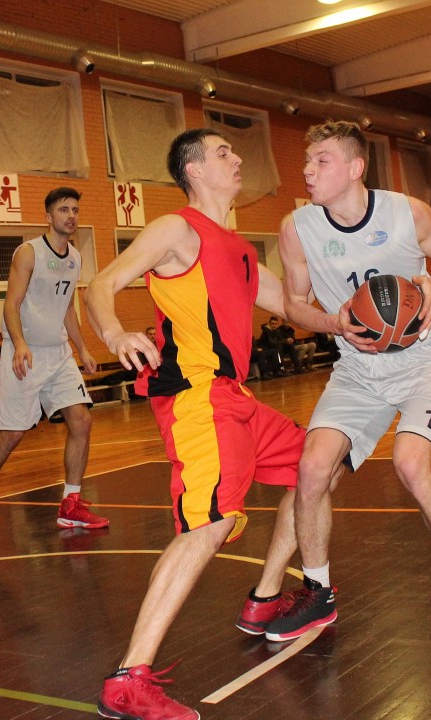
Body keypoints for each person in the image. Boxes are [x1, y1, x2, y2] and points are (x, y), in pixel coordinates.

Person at [85, 128, 306, 719]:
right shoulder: (175, 229)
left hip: (237, 397)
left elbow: (292, 305)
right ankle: (128, 680)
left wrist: (360, 320)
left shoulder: (241, 249)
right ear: (194, 170)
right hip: (197, 396)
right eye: (222, 152)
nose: (237, 158)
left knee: (317, 465)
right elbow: (101, 284)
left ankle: (265, 597)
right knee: (209, 523)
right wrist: (114, 332)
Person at [273, 120, 431, 646]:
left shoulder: (406, 212)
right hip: (358, 367)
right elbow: (293, 304)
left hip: (426, 359)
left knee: (412, 465)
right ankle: (318, 592)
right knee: (312, 469)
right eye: (307, 161)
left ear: (355, 167)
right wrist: (334, 323)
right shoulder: (297, 228)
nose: (307, 171)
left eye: (321, 161)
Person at [0, 187, 109, 540]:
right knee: (12, 434)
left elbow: (68, 308)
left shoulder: (75, 257)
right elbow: (10, 304)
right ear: (48, 216)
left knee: (82, 420)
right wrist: (20, 344)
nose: (71, 216)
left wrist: (82, 348)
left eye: (75, 210)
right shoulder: (29, 253)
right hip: (25, 352)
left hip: (58, 353)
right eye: (63, 210)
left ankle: (71, 504)